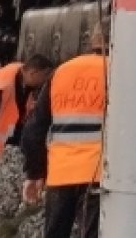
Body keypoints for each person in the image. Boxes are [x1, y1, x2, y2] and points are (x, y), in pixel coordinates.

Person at [21, 21, 108, 238]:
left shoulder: (61, 72)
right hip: (99, 174)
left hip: (60, 174)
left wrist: (34, 173)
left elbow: (33, 130)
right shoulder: (118, 68)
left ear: (93, 40)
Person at [0, 55, 54, 182]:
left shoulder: (21, 79)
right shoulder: (2, 87)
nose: (45, 83)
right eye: (44, 77)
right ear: (34, 73)